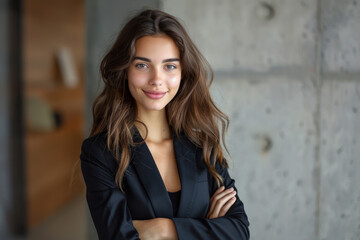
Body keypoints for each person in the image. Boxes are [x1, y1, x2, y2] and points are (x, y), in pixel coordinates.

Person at [80, 9, 250, 240]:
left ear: (183, 73)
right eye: (142, 65)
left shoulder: (201, 144)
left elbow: (239, 231)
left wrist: (162, 229)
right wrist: (204, 227)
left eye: (169, 66)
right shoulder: (101, 152)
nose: (157, 80)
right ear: (125, 70)